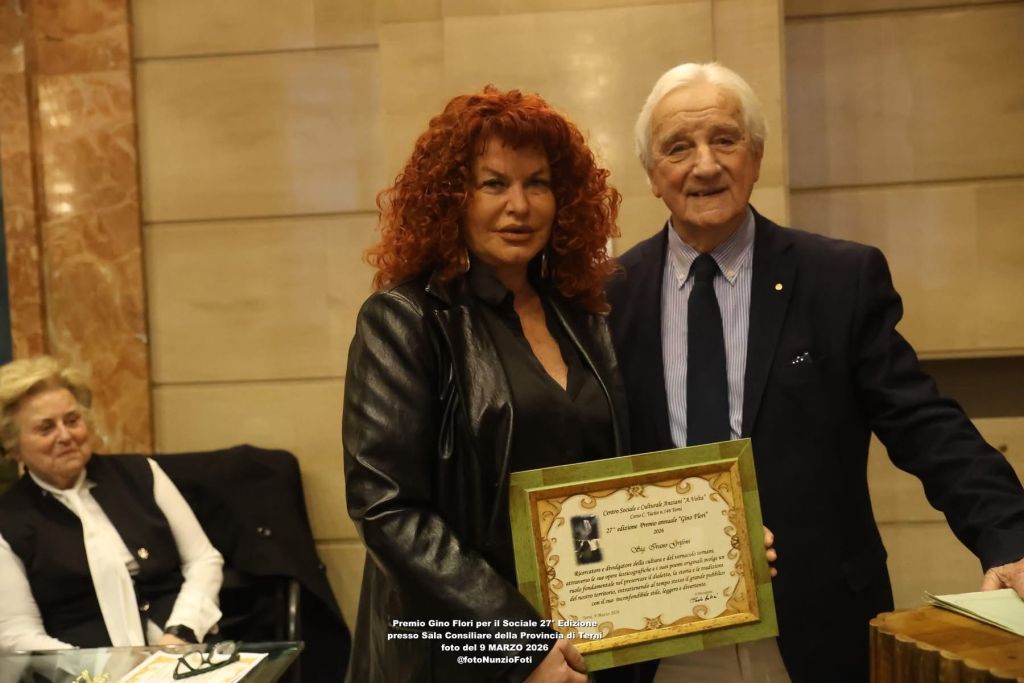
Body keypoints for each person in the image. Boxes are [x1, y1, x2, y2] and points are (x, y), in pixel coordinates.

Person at [606, 61, 1024, 683]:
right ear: (651, 175)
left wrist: (1009, 537)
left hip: (814, 630)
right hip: (656, 642)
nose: (705, 164)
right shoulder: (602, 297)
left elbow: (924, 422)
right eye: (678, 147)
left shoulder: (838, 279)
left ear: (756, 154)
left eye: (725, 139)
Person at [342, 86, 624, 683]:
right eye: (494, 184)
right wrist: (523, 650)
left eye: (538, 183)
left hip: (586, 643)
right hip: (460, 657)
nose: (519, 206)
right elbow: (388, 510)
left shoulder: (583, 318)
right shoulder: (405, 320)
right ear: (452, 199)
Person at [0, 356, 223, 651]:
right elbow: (17, 633)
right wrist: (96, 669)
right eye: (45, 428)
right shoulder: (8, 520)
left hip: (182, 653)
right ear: (13, 446)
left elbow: (203, 560)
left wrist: (181, 632)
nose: (65, 436)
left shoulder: (141, 474)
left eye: (72, 420)